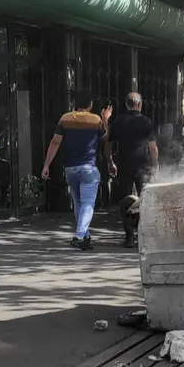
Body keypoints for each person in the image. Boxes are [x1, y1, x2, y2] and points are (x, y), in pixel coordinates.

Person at [42, 91, 111, 250]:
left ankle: (85, 236)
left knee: (78, 202)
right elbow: (104, 138)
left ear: (75, 104)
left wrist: (46, 165)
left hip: (70, 168)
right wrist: (105, 119)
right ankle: (79, 236)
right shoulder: (95, 120)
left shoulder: (65, 119)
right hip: (88, 168)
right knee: (88, 203)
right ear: (90, 105)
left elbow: (55, 142)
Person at [106, 92, 157, 248]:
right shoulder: (146, 122)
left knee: (126, 201)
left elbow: (108, 143)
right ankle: (144, 236)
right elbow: (153, 147)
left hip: (124, 165)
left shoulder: (118, 121)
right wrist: (155, 166)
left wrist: (110, 162)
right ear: (139, 104)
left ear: (126, 105)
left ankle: (129, 237)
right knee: (145, 200)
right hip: (142, 166)